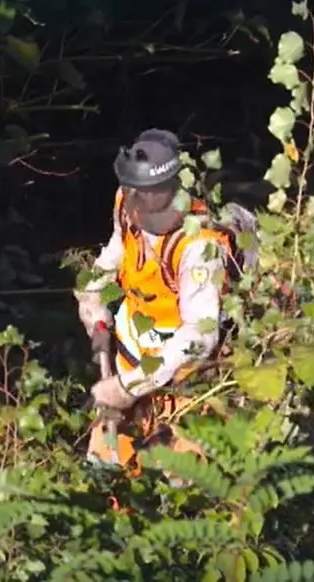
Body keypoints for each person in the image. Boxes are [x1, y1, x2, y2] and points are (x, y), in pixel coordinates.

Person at [74, 128, 256, 476]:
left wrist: (127, 387)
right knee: (106, 468)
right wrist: (92, 295)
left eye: (151, 195)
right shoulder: (127, 202)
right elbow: (117, 248)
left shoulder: (198, 247)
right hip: (133, 352)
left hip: (184, 373)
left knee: (181, 478)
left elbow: (199, 338)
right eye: (134, 193)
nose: (139, 205)